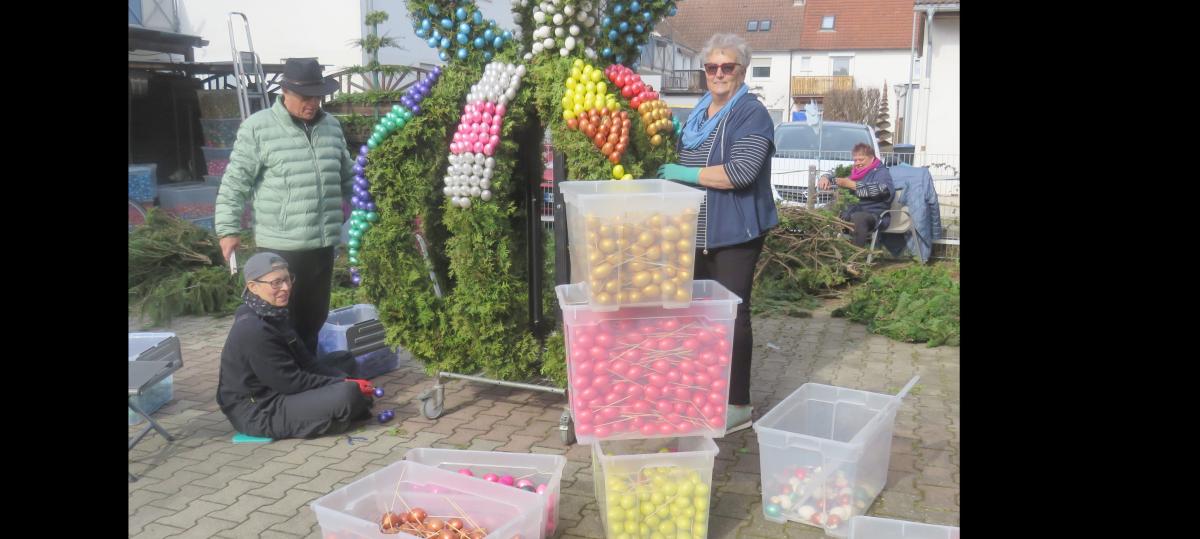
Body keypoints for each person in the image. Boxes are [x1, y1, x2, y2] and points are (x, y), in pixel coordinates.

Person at [655, 33, 778, 433]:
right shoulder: (699, 112)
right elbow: (681, 149)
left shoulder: (751, 114)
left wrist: (686, 174)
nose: (719, 74)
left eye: (728, 67)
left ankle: (738, 403)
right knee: (698, 317)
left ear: (741, 72)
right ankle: (707, 389)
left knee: (733, 316)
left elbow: (741, 174)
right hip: (695, 232)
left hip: (734, 232)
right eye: (712, 67)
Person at [215, 57, 356, 356]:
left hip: (322, 243)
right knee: (280, 320)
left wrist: (375, 211)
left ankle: (307, 376)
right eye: (306, 97)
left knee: (313, 317)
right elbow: (235, 182)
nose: (313, 103)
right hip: (281, 246)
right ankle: (282, 379)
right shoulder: (259, 128)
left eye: (318, 96)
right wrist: (228, 229)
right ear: (285, 93)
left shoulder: (331, 127)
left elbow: (349, 178)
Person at [217, 252, 375, 439]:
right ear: (253, 287)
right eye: (276, 283)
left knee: (344, 360)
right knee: (348, 394)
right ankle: (333, 416)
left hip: (281, 387)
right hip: (260, 409)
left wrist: (342, 378)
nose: (285, 288)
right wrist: (343, 384)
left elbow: (307, 362)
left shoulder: (274, 312)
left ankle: (340, 408)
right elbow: (290, 382)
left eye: (287, 279)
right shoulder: (253, 330)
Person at [818, 143, 895, 246]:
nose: (857, 163)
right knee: (824, 211)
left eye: (861, 159)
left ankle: (856, 256)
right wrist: (825, 177)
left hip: (874, 215)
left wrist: (853, 185)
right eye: (855, 160)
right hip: (851, 211)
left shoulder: (881, 173)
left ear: (872, 158)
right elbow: (834, 173)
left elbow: (883, 190)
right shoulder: (855, 172)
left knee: (858, 217)